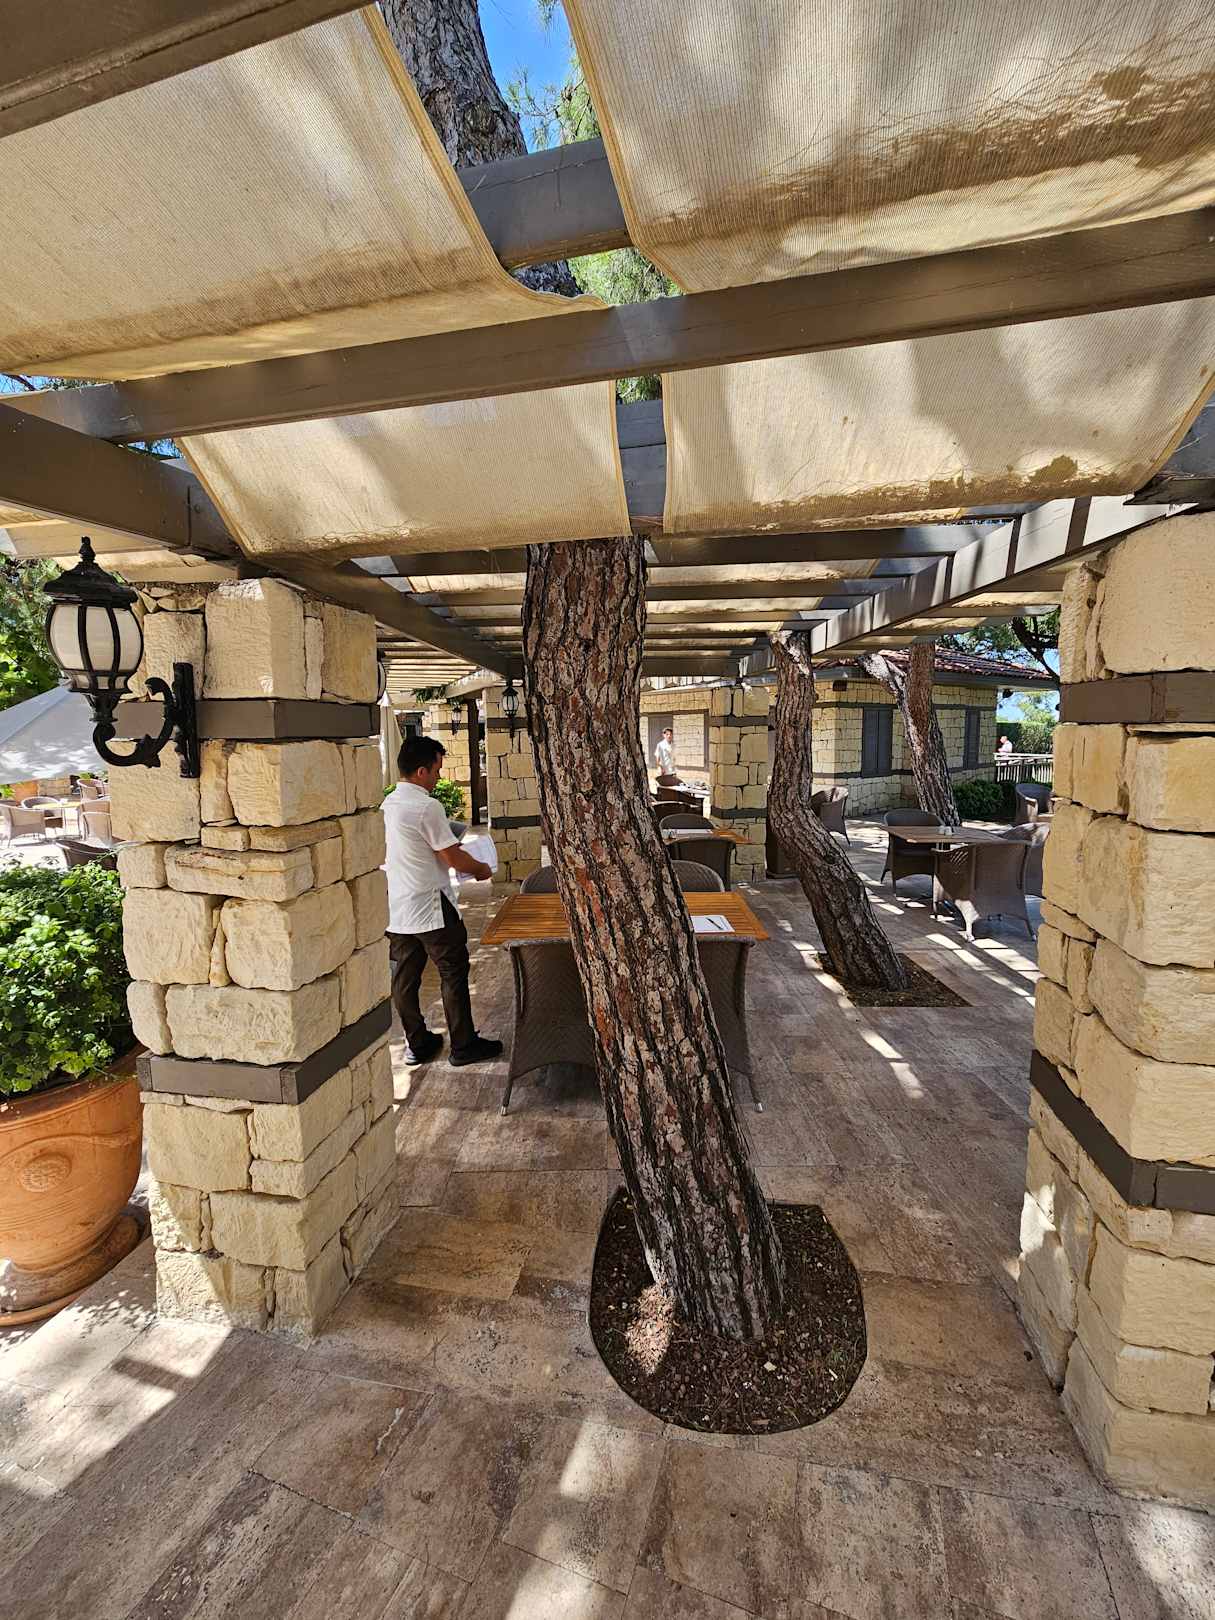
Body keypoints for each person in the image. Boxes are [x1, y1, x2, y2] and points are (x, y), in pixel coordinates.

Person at [383, 735, 502, 1068]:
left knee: (405, 979)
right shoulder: (426, 806)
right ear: (421, 771)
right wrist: (481, 869)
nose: (439, 777)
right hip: (432, 906)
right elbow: (453, 857)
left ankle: (418, 1042)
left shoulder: (388, 805)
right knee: (453, 971)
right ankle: (463, 1045)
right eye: (436, 770)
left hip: (398, 908)